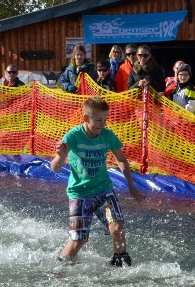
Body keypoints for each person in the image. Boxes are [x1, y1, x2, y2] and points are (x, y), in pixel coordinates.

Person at [49, 95, 144, 265]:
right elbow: (55, 168)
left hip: (103, 192)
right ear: (86, 118)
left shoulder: (107, 136)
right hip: (79, 195)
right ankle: (60, 267)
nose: (103, 124)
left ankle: (120, 262)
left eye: (105, 119)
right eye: (99, 120)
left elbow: (121, 160)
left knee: (117, 228)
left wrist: (131, 186)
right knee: (78, 240)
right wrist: (61, 156)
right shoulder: (73, 136)